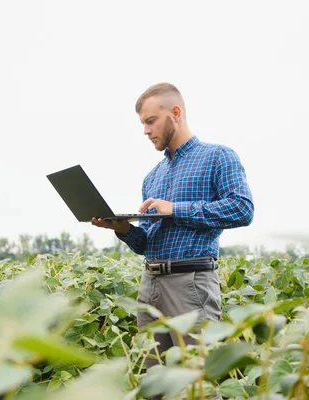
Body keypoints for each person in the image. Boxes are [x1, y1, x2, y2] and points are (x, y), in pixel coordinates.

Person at [91, 82, 254, 396]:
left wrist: (175, 209)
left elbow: (242, 208)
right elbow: (148, 243)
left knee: (196, 383)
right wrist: (123, 230)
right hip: (150, 285)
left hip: (191, 285)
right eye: (142, 124)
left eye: (150, 121)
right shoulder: (152, 176)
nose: (145, 131)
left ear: (175, 113)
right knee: (157, 385)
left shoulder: (218, 157)